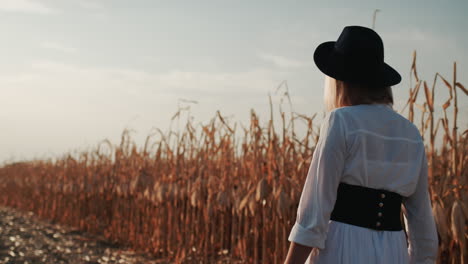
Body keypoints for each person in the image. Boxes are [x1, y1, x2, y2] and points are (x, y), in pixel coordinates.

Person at [283, 26, 439, 264]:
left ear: (340, 81)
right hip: (393, 251)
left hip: (341, 248)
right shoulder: (411, 133)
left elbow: (314, 214)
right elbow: (422, 223)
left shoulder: (341, 122)